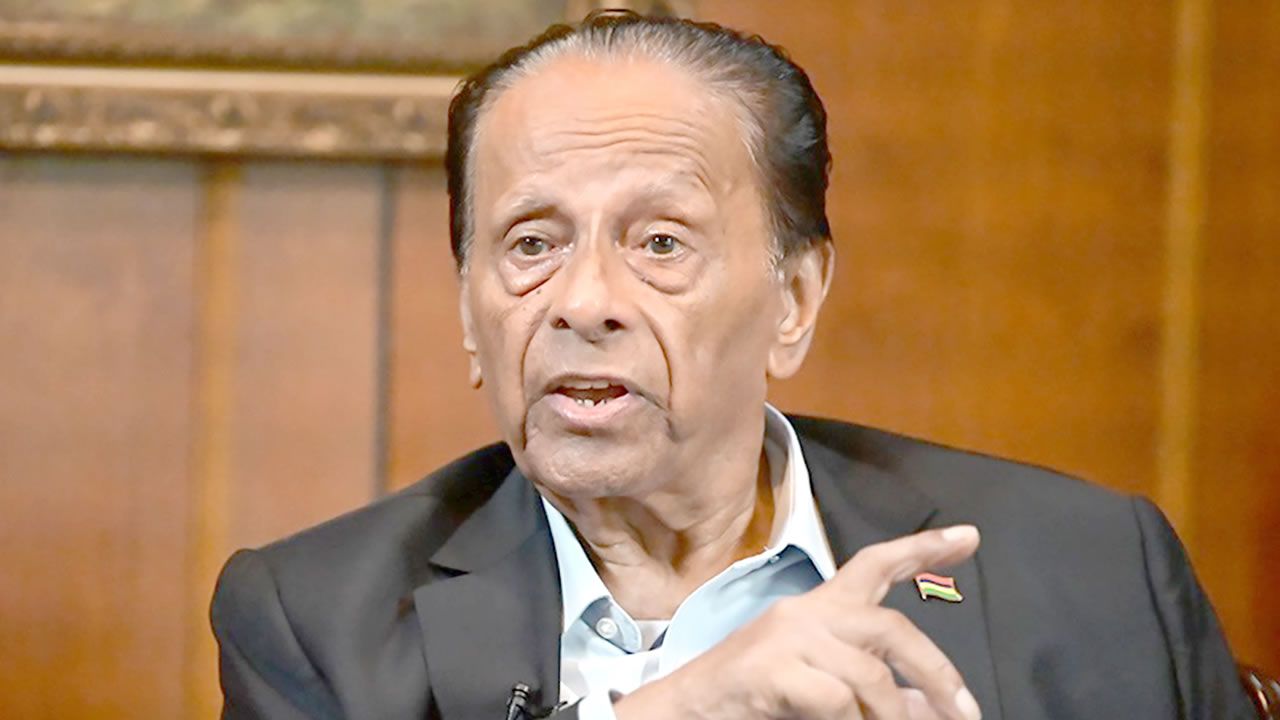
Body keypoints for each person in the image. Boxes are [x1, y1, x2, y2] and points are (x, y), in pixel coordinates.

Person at [211, 11, 1252, 720]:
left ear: (793, 300)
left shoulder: (1088, 573)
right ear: (468, 312)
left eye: (660, 243)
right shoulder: (319, 620)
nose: (582, 300)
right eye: (531, 244)